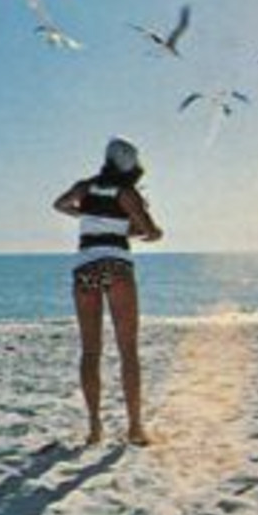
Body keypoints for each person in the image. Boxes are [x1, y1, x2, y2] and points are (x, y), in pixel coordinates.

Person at [52, 137, 164, 447]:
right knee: (128, 350)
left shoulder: (84, 187)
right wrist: (141, 230)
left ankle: (94, 427)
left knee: (90, 351)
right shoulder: (128, 194)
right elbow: (150, 232)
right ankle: (135, 428)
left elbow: (59, 204)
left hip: (85, 268)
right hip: (116, 267)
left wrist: (86, 217)